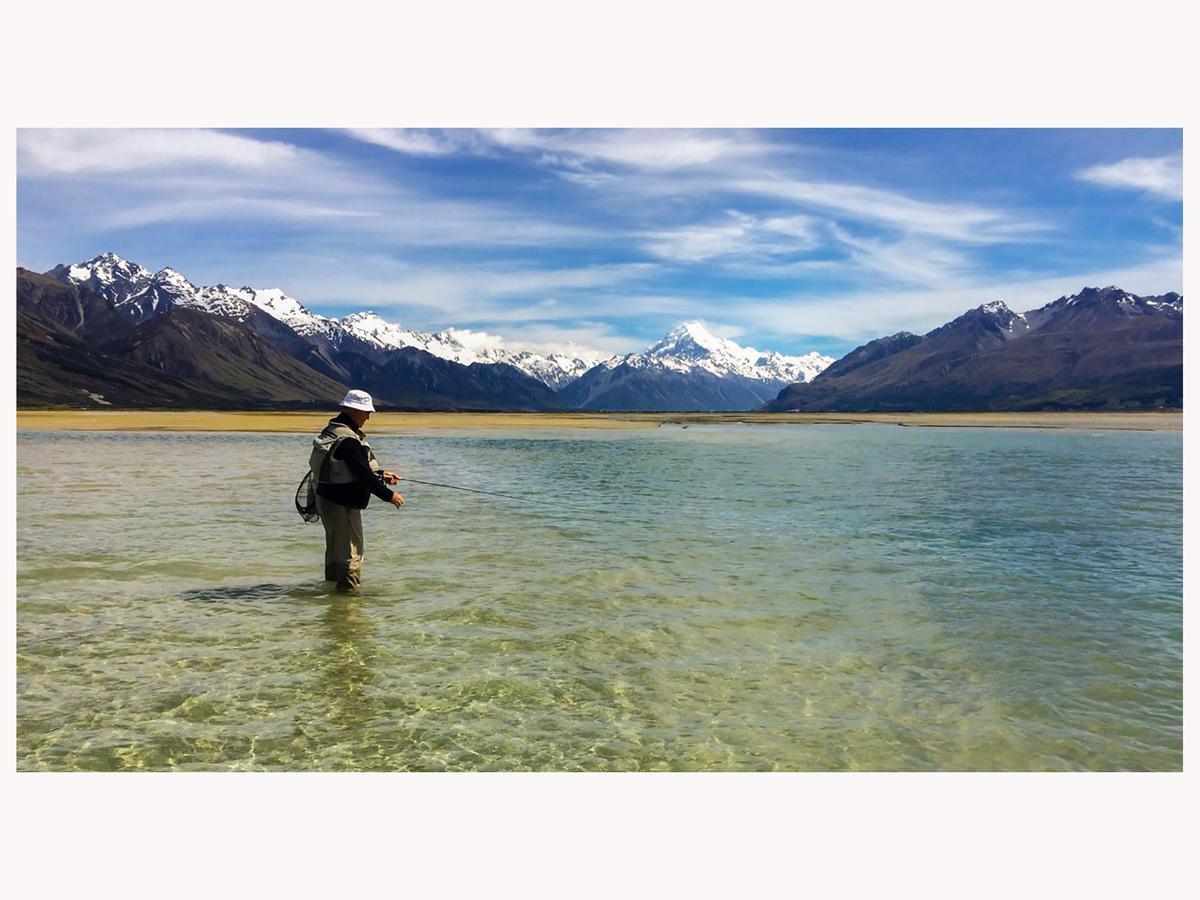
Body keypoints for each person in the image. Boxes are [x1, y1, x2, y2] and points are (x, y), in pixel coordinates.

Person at [309, 389, 404, 592]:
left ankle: (333, 594)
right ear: (353, 410)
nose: (368, 416)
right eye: (366, 412)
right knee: (351, 554)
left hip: (325, 500)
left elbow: (346, 468)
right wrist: (389, 495)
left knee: (335, 551)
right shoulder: (349, 441)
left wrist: (382, 474)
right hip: (343, 504)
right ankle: (349, 604)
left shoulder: (331, 431)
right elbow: (362, 474)